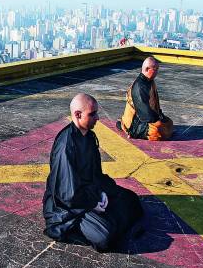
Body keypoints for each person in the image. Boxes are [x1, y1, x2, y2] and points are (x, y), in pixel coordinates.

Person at [43, 93, 143, 251]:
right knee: (104, 236)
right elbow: (67, 194)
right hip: (69, 206)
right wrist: (94, 201)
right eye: (93, 114)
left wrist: (102, 192)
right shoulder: (66, 146)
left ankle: (105, 216)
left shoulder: (89, 136)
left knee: (131, 199)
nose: (97, 118)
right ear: (77, 114)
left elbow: (96, 173)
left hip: (90, 191)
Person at [118, 56, 174, 141]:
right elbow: (146, 116)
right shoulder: (139, 87)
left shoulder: (149, 81)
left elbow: (154, 105)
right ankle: (130, 131)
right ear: (147, 69)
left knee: (169, 123)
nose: (157, 72)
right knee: (158, 130)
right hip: (135, 123)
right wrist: (159, 120)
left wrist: (161, 117)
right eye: (155, 69)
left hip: (147, 117)